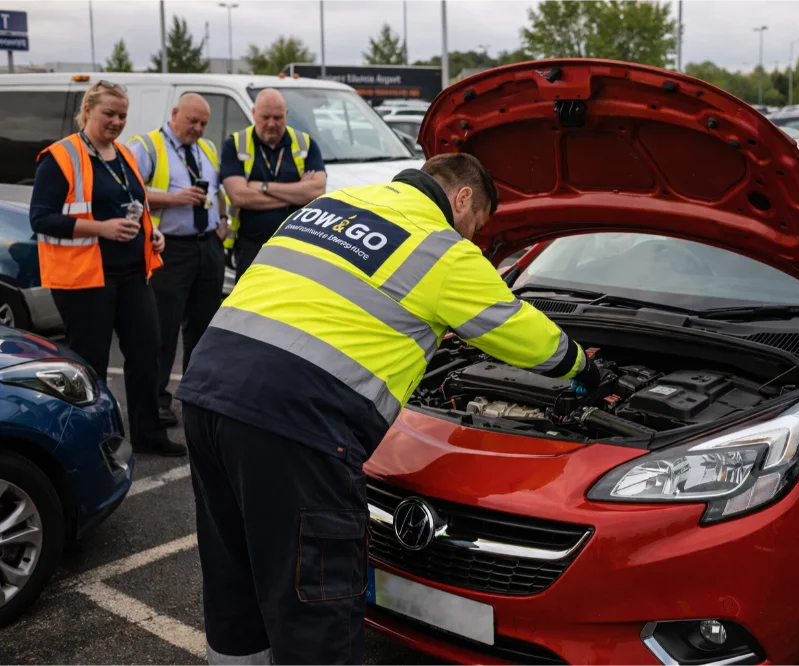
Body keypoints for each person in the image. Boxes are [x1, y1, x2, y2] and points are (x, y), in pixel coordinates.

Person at [174, 153, 602, 665]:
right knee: (316, 607)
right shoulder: (442, 248)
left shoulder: (333, 206)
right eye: (477, 225)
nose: (474, 238)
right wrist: (584, 368)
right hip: (297, 422)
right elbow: (521, 332)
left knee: (235, 580)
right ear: (462, 197)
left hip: (207, 391)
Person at [28, 80, 185, 457]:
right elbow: (41, 218)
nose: (116, 121)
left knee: (146, 353)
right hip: (84, 280)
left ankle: (148, 434)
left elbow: (135, 205)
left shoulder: (124, 153)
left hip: (133, 273)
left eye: (122, 115)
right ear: (87, 111)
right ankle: (93, 442)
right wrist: (101, 229)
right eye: (109, 114)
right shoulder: (60, 156)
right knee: (91, 365)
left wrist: (152, 233)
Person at [128, 93, 228, 428]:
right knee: (163, 328)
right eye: (192, 121)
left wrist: (223, 220)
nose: (198, 129)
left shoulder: (207, 148)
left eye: (203, 123)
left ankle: (196, 396)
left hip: (207, 246)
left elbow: (217, 191)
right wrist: (174, 199)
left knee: (204, 327)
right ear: (174, 114)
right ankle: (157, 401)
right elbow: (128, 192)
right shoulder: (147, 146)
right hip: (170, 249)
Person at [219, 88, 326, 280]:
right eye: (265, 117)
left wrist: (263, 187)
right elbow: (238, 197)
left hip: (297, 245)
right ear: (254, 113)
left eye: (278, 118)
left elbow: (317, 190)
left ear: (286, 114)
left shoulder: (305, 143)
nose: (271, 124)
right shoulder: (235, 144)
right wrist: (296, 195)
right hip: (252, 246)